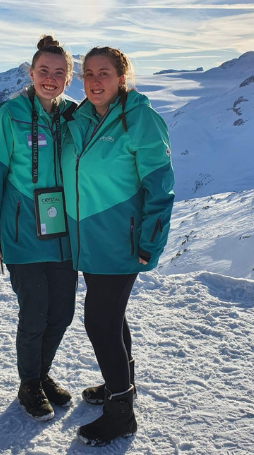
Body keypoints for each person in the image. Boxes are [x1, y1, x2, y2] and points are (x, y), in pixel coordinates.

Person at [61, 46, 175, 446]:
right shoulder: (79, 118)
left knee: (100, 322)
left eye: (104, 73)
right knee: (112, 318)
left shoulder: (139, 119)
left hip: (122, 243)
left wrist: (148, 242)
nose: (94, 80)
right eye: (88, 73)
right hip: (89, 241)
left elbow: (160, 189)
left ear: (122, 78)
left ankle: (122, 413)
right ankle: (119, 387)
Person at [0, 35, 79, 422]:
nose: (50, 79)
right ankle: (28, 384)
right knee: (35, 312)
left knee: (62, 314)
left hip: (63, 236)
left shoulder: (75, 114)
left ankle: (41, 373)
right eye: (43, 71)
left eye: (58, 73)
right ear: (31, 72)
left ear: (68, 78)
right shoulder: (10, 114)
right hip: (21, 233)